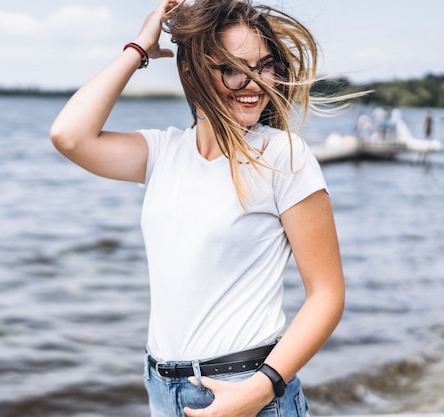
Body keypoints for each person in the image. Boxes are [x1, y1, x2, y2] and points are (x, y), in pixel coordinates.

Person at [51, 1, 346, 416]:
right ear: (192, 72)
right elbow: (69, 136)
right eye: (233, 67)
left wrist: (260, 390)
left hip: (248, 391)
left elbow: (327, 295)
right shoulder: (163, 152)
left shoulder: (283, 156)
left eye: (265, 66)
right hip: (162, 389)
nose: (255, 83)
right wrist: (138, 47)